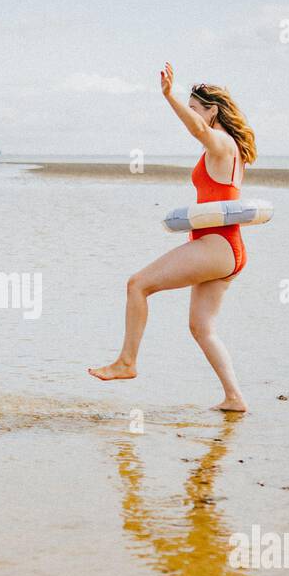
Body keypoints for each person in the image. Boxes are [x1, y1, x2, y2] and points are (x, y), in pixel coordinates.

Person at [88, 63, 256, 412]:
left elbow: (198, 131)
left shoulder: (221, 143)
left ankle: (127, 362)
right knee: (202, 328)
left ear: (213, 111)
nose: (193, 115)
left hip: (216, 245)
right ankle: (234, 398)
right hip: (229, 250)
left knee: (137, 285)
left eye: (197, 109)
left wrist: (169, 96)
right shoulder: (230, 148)